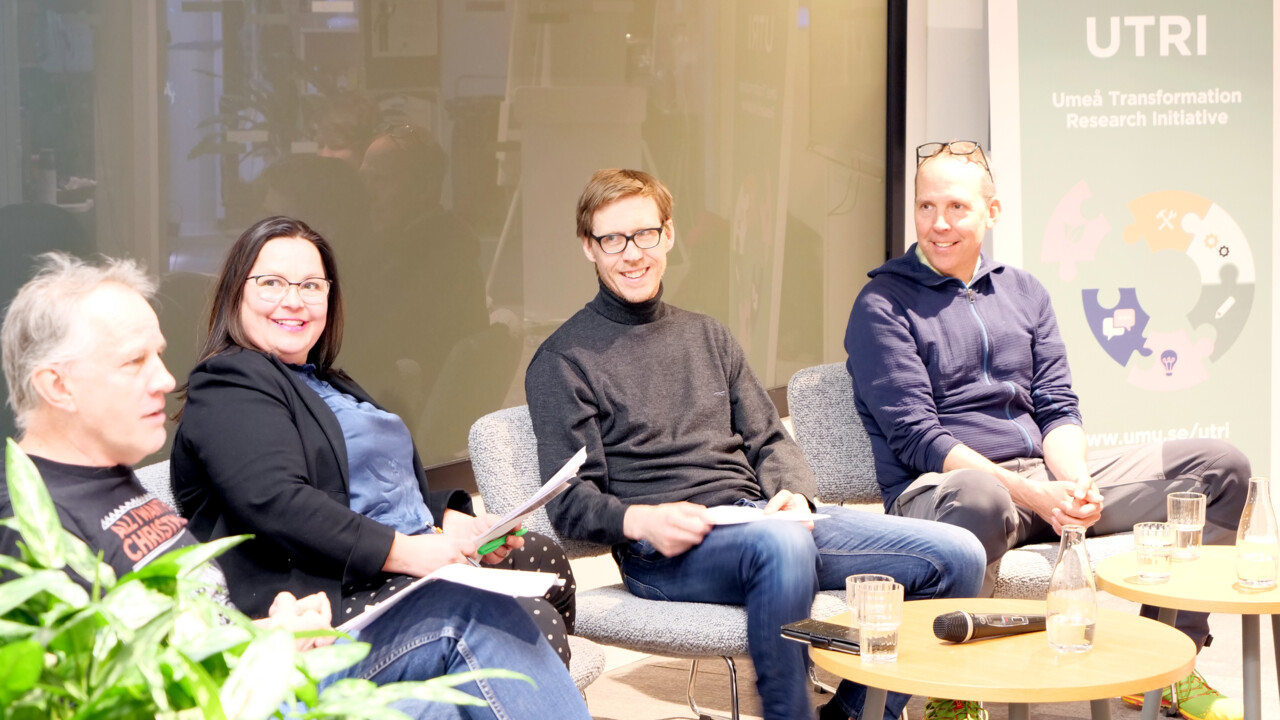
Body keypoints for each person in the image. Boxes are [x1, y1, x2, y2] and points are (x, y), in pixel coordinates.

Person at [525, 168, 987, 720]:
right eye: (612, 240)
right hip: (664, 553)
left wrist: (795, 495)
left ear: (668, 235)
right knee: (782, 544)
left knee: (959, 555)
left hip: (756, 518)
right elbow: (569, 501)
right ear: (588, 247)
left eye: (645, 234)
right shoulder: (564, 360)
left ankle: (857, 715)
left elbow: (770, 439)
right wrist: (641, 522)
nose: (632, 254)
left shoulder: (708, 335)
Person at [845, 140, 1250, 720]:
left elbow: (1057, 407)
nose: (939, 224)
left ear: (993, 212)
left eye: (956, 207)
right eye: (926, 207)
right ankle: (949, 691)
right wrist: (1035, 495)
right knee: (982, 497)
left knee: (1219, 466)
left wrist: (1077, 486)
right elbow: (919, 441)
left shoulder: (1024, 291)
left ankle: (1175, 665)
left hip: (1039, 479)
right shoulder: (882, 303)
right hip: (947, 495)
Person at [167, 216, 590, 718]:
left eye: (310, 285)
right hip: (324, 595)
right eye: (272, 283)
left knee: (546, 563)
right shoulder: (231, 381)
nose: (294, 300)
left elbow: (363, 481)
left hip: (383, 558)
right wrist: (412, 551)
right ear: (237, 292)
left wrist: (449, 517)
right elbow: (279, 502)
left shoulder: (324, 380)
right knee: (519, 615)